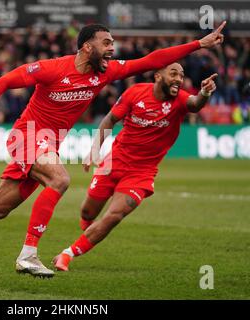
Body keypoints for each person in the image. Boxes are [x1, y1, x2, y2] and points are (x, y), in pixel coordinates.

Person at [0, 23, 225, 278]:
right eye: (106, 42)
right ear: (86, 47)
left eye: (112, 43)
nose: (112, 48)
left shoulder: (106, 72)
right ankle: (29, 255)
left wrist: (199, 43)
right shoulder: (52, 69)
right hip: (27, 135)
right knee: (60, 179)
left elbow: (152, 60)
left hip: (48, 143)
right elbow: (6, 80)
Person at [53, 62, 218, 271]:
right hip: (113, 162)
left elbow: (195, 104)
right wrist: (95, 149)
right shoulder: (135, 93)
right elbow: (109, 120)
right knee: (87, 212)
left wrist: (204, 92)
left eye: (181, 75)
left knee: (114, 215)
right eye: (173, 73)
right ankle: (89, 234)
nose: (178, 78)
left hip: (142, 173)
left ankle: (67, 255)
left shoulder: (180, 100)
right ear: (158, 76)